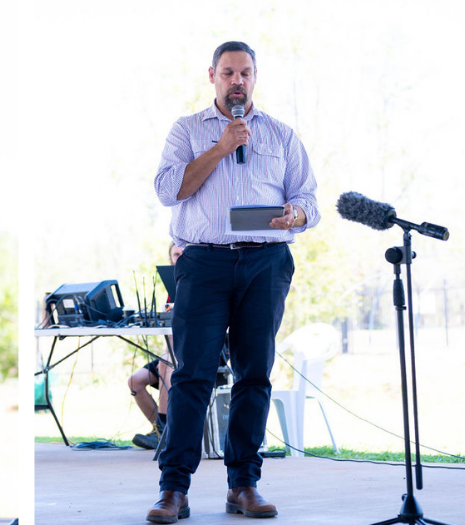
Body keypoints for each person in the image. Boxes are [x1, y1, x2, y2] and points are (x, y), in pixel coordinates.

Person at [147, 41, 319, 522]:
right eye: (228, 72)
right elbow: (167, 189)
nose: (237, 80)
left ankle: (243, 484)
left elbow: (309, 198)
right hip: (203, 263)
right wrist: (222, 148)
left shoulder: (282, 135)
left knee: (254, 376)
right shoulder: (187, 131)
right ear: (212, 76)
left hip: (265, 263)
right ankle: (173, 490)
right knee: (191, 376)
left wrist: (296, 214)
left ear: (255, 77)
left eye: (245, 72)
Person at [128, 243, 182, 450]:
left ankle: (167, 435)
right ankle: (160, 430)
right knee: (135, 381)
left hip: (205, 352)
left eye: (182, 254)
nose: (179, 258)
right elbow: (170, 329)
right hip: (175, 351)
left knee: (166, 365)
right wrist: (168, 352)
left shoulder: (201, 282)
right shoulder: (172, 289)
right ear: (170, 260)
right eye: (175, 255)